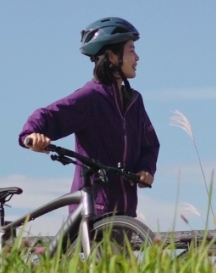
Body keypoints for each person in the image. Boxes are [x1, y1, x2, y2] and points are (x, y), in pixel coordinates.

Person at [19, 17, 159, 218]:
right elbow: (49, 115)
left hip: (125, 211)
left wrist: (146, 169)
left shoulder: (134, 101)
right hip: (94, 207)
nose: (137, 58)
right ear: (112, 56)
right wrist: (31, 135)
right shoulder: (90, 98)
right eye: (131, 50)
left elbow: (150, 145)